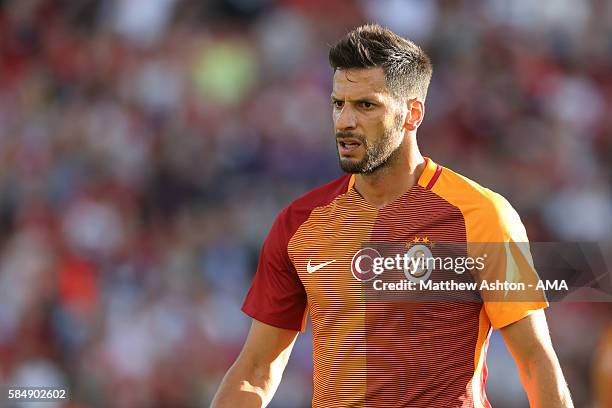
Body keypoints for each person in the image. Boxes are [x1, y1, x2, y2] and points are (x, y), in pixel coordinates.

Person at [211, 24, 573, 408]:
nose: (344, 122)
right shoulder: (298, 224)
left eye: (366, 105)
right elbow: (255, 370)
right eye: (338, 104)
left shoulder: (482, 216)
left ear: (412, 114)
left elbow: (535, 361)